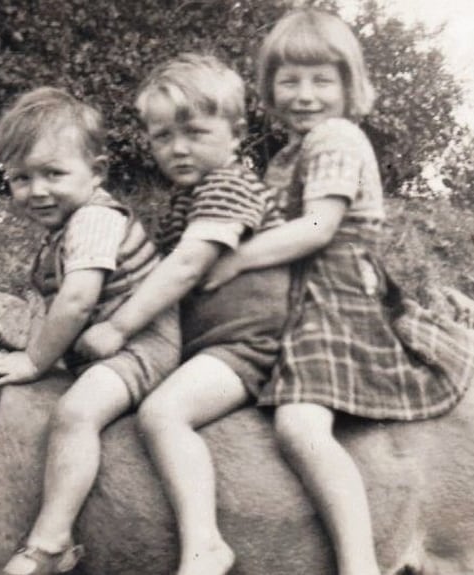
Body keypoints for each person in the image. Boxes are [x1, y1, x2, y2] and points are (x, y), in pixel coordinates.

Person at [200, 9, 474, 575]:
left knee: (301, 427)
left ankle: (359, 565)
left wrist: (234, 263)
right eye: (290, 80)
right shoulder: (287, 155)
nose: (305, 95)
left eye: (321, 80)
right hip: (296, 298)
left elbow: (317, 228)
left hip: (335, 297)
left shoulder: (336, 137)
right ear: (269, 86)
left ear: (349, 86)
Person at [73, 54, 290, 575]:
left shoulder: (229, 186)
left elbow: (188, 265)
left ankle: (205, 544)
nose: (178, 148)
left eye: (194, 132)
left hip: (254, 343)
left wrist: (119, 326)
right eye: (162, 136)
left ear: (236, 134)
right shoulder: (184, 199)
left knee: (163, 413)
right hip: (217, 342)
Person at [0, 87, 182, 575]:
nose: (37, 190)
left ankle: (50, 544)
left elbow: (77, 300)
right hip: (105, 346)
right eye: (20, 178)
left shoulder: (93, 219)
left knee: (75, 414)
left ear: (98, 171)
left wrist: (33, 360)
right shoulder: (65, 227)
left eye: (53, 173)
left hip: (141, 344)